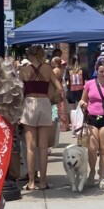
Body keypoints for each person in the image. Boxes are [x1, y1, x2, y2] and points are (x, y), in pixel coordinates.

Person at [18, 44, 62, 190]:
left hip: (29, 103)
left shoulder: (23, 70)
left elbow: (19, 91)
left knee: (30, 147)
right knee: (43, 148)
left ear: (29, 55)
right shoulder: (48, 69)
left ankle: (31, 182)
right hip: (44, 103)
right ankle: (43, 182)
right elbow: (59, 89)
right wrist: (53, 99)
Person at [79, 59, 104, 190]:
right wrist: (82, 103)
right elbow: (83, 99)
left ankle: (102, 177)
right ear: (96, 70)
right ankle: (92, 172)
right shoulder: (89, 84)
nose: (103, 74)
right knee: (92, 148)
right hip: (92, 117)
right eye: (101, 71)